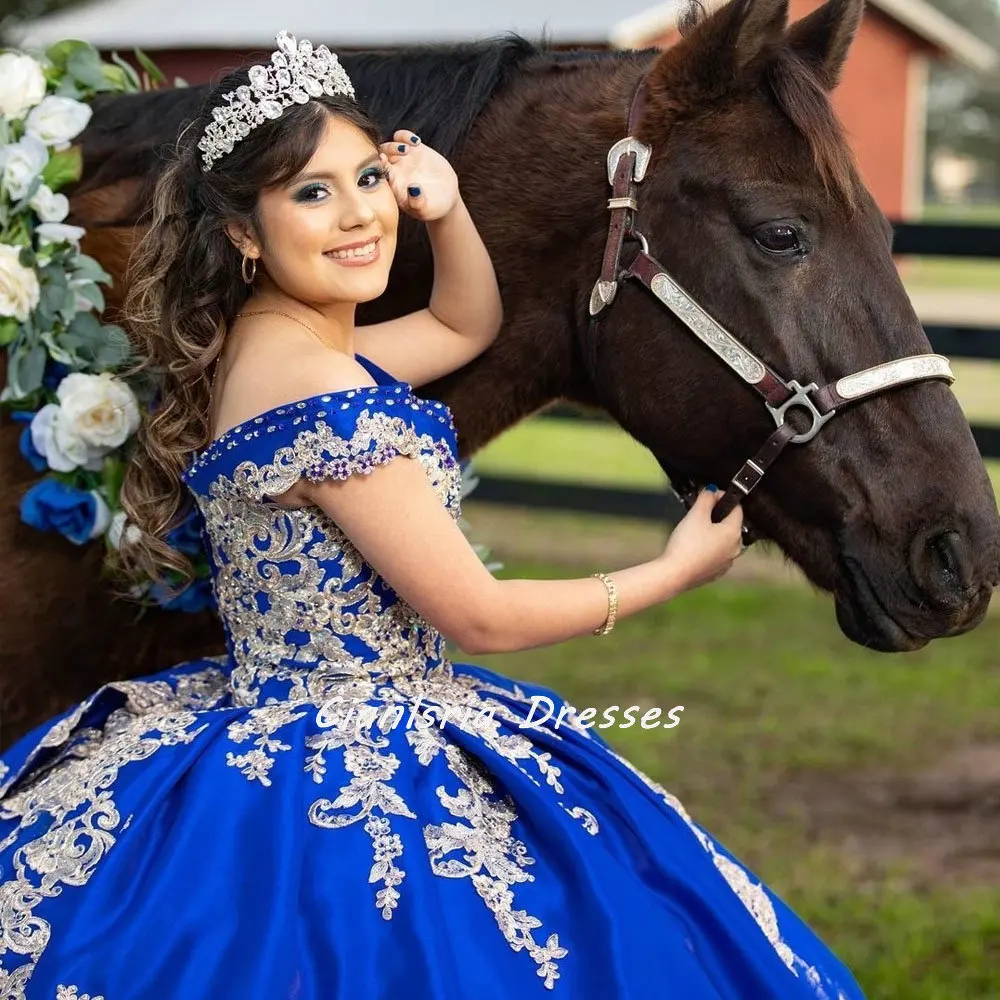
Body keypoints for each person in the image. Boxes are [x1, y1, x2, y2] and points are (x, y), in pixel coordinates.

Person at [0, 32, 865, 1000]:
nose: (360, 214)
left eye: (368, 177)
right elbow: (478, 617)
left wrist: (446, 213)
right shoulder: (326, 395)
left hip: (274, 705)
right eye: (311, 194)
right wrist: (672, 572)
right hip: (347, 747)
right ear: (244, 230)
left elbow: (465, 328)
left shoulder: (264, 352)